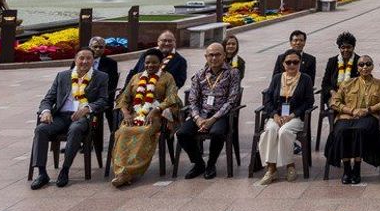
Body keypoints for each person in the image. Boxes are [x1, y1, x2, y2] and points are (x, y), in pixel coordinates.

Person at [31, 48, 109, 189]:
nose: (84, 61)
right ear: (75, 59)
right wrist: (46, 111)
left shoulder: (101, 77)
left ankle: (65, 170)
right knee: (41, 129)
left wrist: (87, 108)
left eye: (88, 58)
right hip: (61, 116)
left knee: (75, 129)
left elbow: (104, 101)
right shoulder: (62, 76)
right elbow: (48, 99)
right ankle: (42, 173)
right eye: (81, 58)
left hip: (82, 117)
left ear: (93, 60)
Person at [110, 48, 181, 187]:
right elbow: (123, 98)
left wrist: (156, 109)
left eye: (154, 63)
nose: (150, 65)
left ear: (161, 64)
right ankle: (121, 172)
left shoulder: (167, 77)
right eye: (147, 62)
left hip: (157, 115)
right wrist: (126, 113)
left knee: (143, 131)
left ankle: (129, 172)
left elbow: (172, 97)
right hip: (135, 114)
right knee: (124, 131)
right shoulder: (136, 77)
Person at [177, 43, 242, 179]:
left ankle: (211, 164)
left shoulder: (232, 73)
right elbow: (193, 100)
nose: (214, 58)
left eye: (217, 54)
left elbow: (232, 101)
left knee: (217, 132)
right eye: (211, 55)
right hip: (201, 114)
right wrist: (197, 118)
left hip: (221, 115)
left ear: (224, 56)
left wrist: (213, 119)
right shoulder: (199, 75)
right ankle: (199, 163)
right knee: (182, 133)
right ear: (206, 57)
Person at [324, 54, 380, 184]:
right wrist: (351, 110)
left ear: (372, 66)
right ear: (357, 67)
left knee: (360, 130)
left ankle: (357, 167)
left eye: (368, 64)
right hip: (347, 116)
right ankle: (347, 169)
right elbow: (334, 102)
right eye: (361, 64)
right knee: (341, 131)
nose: (364, 67)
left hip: (369, 117)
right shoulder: (347, 84)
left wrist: (370, 109)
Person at [257, 50, 314, 185]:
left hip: (295, 117)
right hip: (276, 116)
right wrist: (275, 115)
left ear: (300, 63)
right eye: (288, 62)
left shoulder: (306, 79)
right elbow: (268, 99)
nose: (292, 65)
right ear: (283, 64)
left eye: (295, 62)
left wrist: (292, 115)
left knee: (284, 132)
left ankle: (290, 165)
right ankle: (271, 168)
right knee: (270, 130)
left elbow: (308, 102)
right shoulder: (277, 78)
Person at [321, 32, 359, 108]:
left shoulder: (359, 61)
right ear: (339, 48)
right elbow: (325, 83)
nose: (346, 50)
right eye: (343, 47)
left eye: (348, 47)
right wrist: (332, 92)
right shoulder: (332, 61)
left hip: (354, 97)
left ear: (353, 47)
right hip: (335, 96)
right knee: (335, 103)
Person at [87, 35, 120, 100]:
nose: (98, 49)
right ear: (89, 47)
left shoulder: (111, 63)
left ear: (104, 49)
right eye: (95, 47)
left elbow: (111, 85)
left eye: (101, 47)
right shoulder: (80, 61)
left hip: (101, 98)